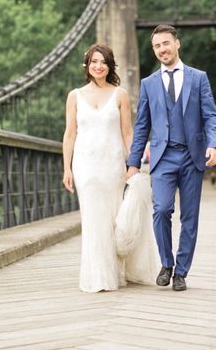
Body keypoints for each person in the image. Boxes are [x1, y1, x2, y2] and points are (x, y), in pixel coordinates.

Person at [126, 24, 216, 291]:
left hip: (192, 157)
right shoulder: (148, 84)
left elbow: (210, 116)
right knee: (162, 209)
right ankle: (166, 263)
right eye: (157, 46)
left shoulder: (198, 78)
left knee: (189, 217)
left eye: (166, 43)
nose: (162, 49)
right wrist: (133, 163)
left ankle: (181, 272)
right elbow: (141, 126)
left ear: (177, 44)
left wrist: (213, 145)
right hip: (162, 158)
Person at [62, 43, 140, 292]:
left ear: (110, 66)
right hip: (85, 164)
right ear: (87, 65)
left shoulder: (121, 94)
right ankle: (96, 277)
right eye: (94, 61)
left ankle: (115, 273)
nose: (99, 66)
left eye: (103, 62)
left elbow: (128, 132)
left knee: (113, 218)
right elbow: (70, 134)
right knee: (93, 219)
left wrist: (134, 163)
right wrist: (67, 168)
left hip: (112, 164)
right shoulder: (75, 95)